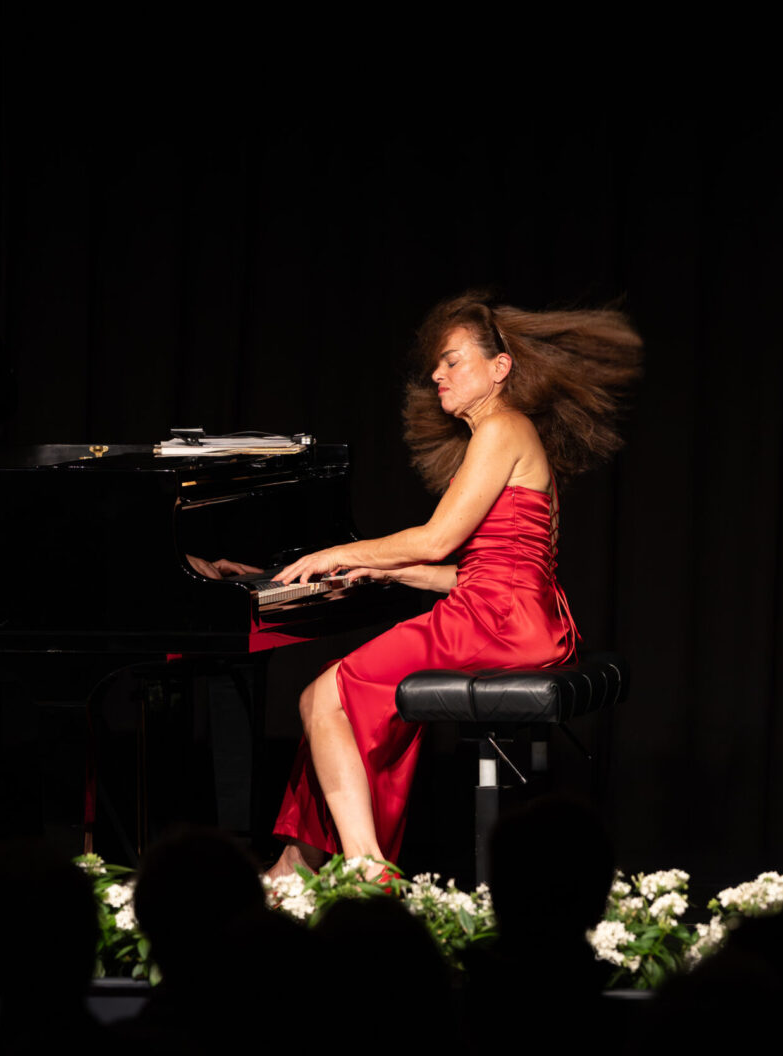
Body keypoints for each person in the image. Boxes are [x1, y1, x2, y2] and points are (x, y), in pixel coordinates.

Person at [266, 291, 642, 877]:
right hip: (517, 616)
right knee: (325, 695)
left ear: (500, 367)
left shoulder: (502, 427)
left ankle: (366, 872)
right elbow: (485, 570)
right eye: (436, 365)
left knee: (327, 695)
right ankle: (300, 862)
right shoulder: (506, 434)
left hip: (495, 621)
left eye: (453, 360)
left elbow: (437, 539)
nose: (438, 375)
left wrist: (336, 552)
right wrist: (386, 568)